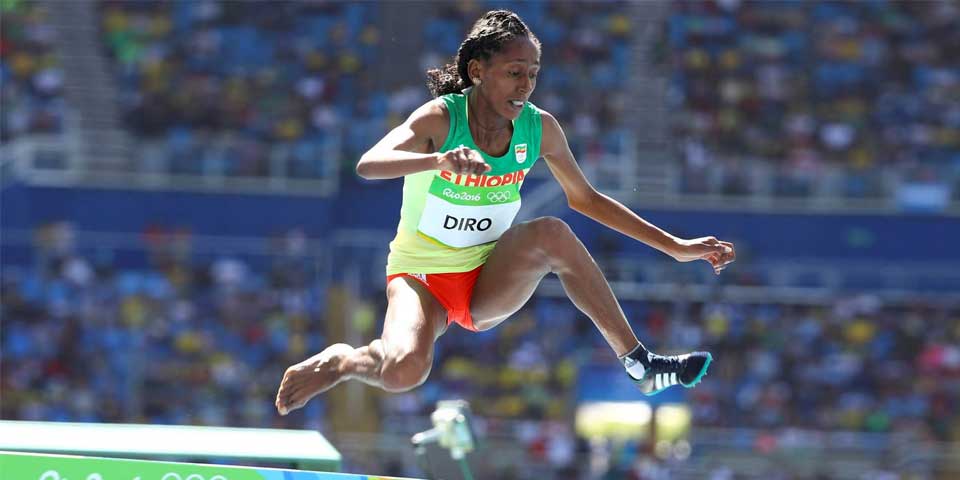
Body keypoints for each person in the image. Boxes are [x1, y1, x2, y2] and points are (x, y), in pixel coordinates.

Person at [275, 10, 735, 416]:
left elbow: (586, 199)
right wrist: (437, 160)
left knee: (553, 233)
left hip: (486, 276)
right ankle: (342, 361)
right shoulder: (439, 118)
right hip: (421, 279)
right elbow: (369, 164)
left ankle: (640, 363)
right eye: (515, 71)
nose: (526, 84)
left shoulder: (540, 128)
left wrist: (675, 247)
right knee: (403, 371)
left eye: (533, 73)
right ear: (478, 71)